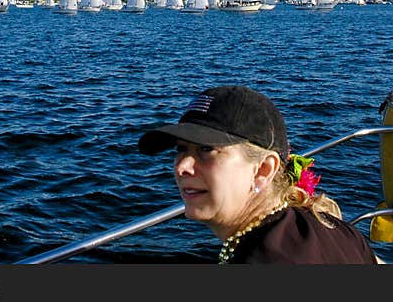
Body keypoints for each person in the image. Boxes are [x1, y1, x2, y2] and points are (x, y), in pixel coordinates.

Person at [138, 85, 379, 264]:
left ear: (263, 170)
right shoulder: (336, 229)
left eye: (206, 150)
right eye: (181, 149)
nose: (182, 167)